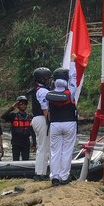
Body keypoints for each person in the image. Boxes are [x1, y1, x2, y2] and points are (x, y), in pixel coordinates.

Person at [47, 56, 77, 185]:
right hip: (69, 123)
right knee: (67, 151)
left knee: (55, 151)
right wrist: (73, 62)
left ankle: (54, 176)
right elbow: (74, 78)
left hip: (54, 124)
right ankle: (64, 177)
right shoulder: (70, 92)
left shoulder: (50, 93)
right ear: (66, 79)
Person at [31, 67, 52, 180]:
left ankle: (41, 172)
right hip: (41, 119)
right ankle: (40, 173)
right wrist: (49, 121)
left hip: (38, 119)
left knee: (43, 147)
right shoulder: (42, 91)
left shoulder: (38, 89)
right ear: (43, 79)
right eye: (47, 78)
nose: (49, 80)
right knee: (43, 147)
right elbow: (45, 109)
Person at [1, 95, 36, 161]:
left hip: (26, 142)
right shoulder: (13, 115)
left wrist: (34, 144)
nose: (23, 105)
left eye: (25, 104)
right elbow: (3, 116)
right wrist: (12, 107)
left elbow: (32, 131)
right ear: (18, 105)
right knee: (15, 160)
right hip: (16, 142)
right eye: (21, 104)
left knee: (26, 160)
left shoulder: (30, 117)